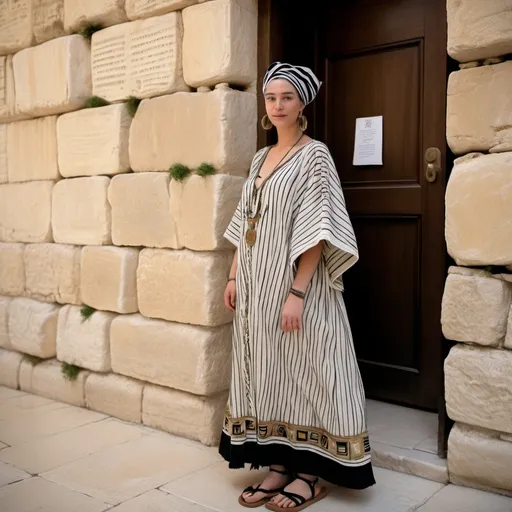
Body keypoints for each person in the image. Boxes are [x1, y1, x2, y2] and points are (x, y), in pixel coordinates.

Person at [220, 61, 375, 511]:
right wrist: (233, 276)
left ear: (302, 102)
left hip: (295, 288)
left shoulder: (315, 155)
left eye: (287, 97)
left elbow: (318, 228)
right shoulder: (258, 158)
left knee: (309, 371)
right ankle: (280, 466)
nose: (278, 105)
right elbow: (243, 222)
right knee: (271, 372)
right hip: (254, 285)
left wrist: (298, 293)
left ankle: (312, 472)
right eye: (271, 98)